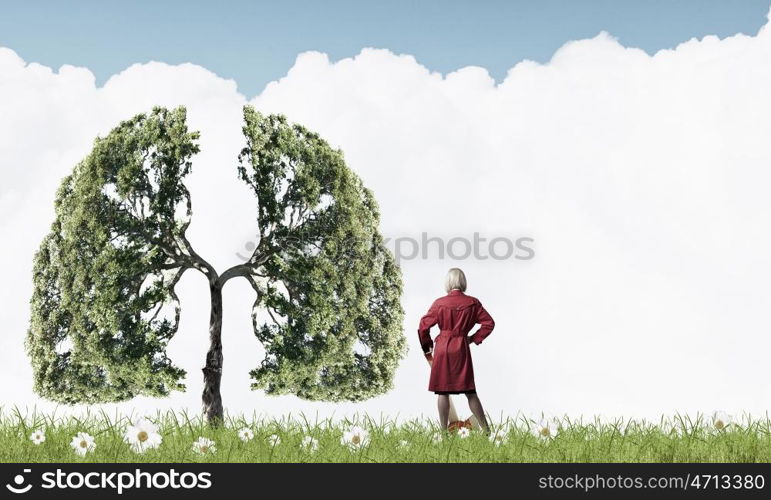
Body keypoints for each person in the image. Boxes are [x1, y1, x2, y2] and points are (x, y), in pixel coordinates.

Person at [417, 267, 495, 434]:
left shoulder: (439, 303)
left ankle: (443, 434)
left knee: (442, 392)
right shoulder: (473, 303)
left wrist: (427, 347)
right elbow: (489, 323)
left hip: (443, 349)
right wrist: (472, 339)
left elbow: (423, 326)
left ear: (448, 282)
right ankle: (487, 430)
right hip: (461, 348)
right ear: (463, 282)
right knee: (470, 391)